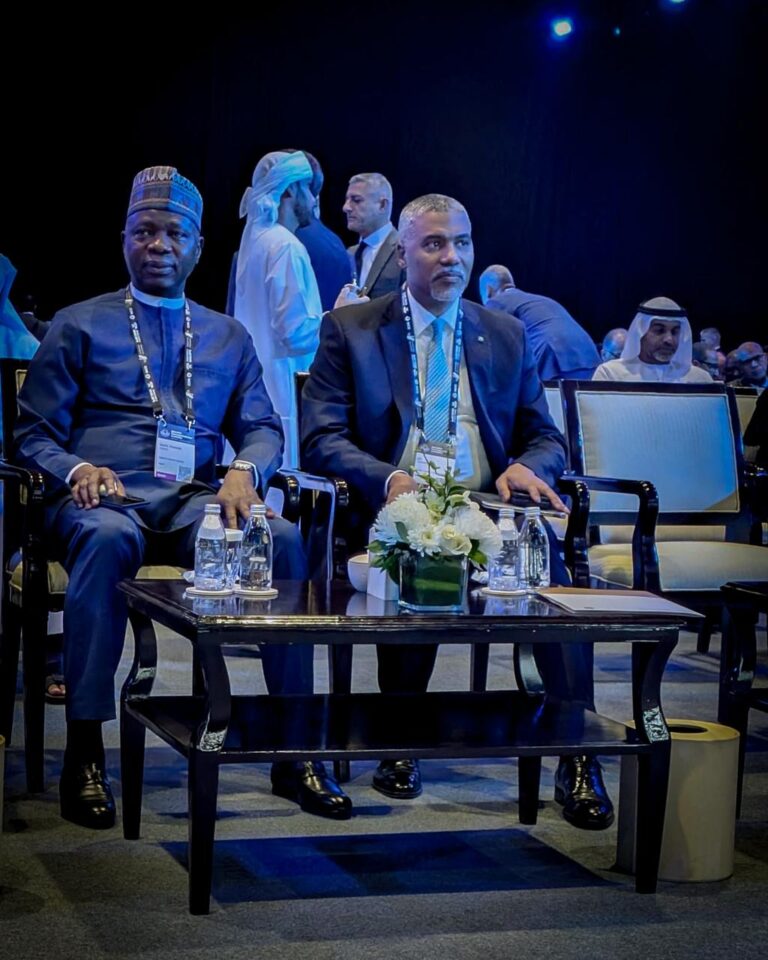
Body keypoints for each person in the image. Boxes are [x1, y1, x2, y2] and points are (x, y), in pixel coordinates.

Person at [14, 165, 350, 829]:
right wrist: (77, 467)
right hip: (100, 500)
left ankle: (293, 748)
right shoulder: (79, 324)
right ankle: (85, 747)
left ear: (198, 247)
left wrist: (245, 472)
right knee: (107, 538)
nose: (159, 245)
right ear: (124, 240)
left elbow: (262, 426)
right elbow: (31, 433)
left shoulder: (228, 335)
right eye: (145, 231)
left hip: (193, 500)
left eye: (174, 233)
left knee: (282, 539)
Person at [301, 193, 614, 830]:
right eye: (434, 244)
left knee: (551, 572)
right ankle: (401, 740)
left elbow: (544, 436)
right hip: (392, 500)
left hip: (486, 505)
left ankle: (577, 755)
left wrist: (529, 466)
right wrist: (390, 478)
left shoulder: (503, 333)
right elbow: (322, 438)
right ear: (404, 254)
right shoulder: (353, 329)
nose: (452, 257)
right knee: (418, 547)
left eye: (462, 243)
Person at [232, 151, 322, 467]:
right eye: (308, 188)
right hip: (281, 387)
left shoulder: (257, 240)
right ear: (290, 190)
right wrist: (340, 315)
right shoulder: (285, 245)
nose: (314, 199)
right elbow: (296, 334)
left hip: (255, 386)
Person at [478, 265, 600, 381]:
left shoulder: (496, 302)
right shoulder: (541, 300)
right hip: (588, 354)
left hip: (553, 356)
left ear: (488, 290)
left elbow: (487, 343)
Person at [593, 297, 713, 383]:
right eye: (659, 331)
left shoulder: (700, 379)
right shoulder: (611, 375)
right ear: (640, 333)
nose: (669, 340)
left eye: (675, 332)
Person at [334, 172, 404, 308]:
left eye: (356, 200)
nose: (346, 207)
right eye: (347, 200)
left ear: (382, 205)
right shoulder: (349, 254)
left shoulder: (404, 251)